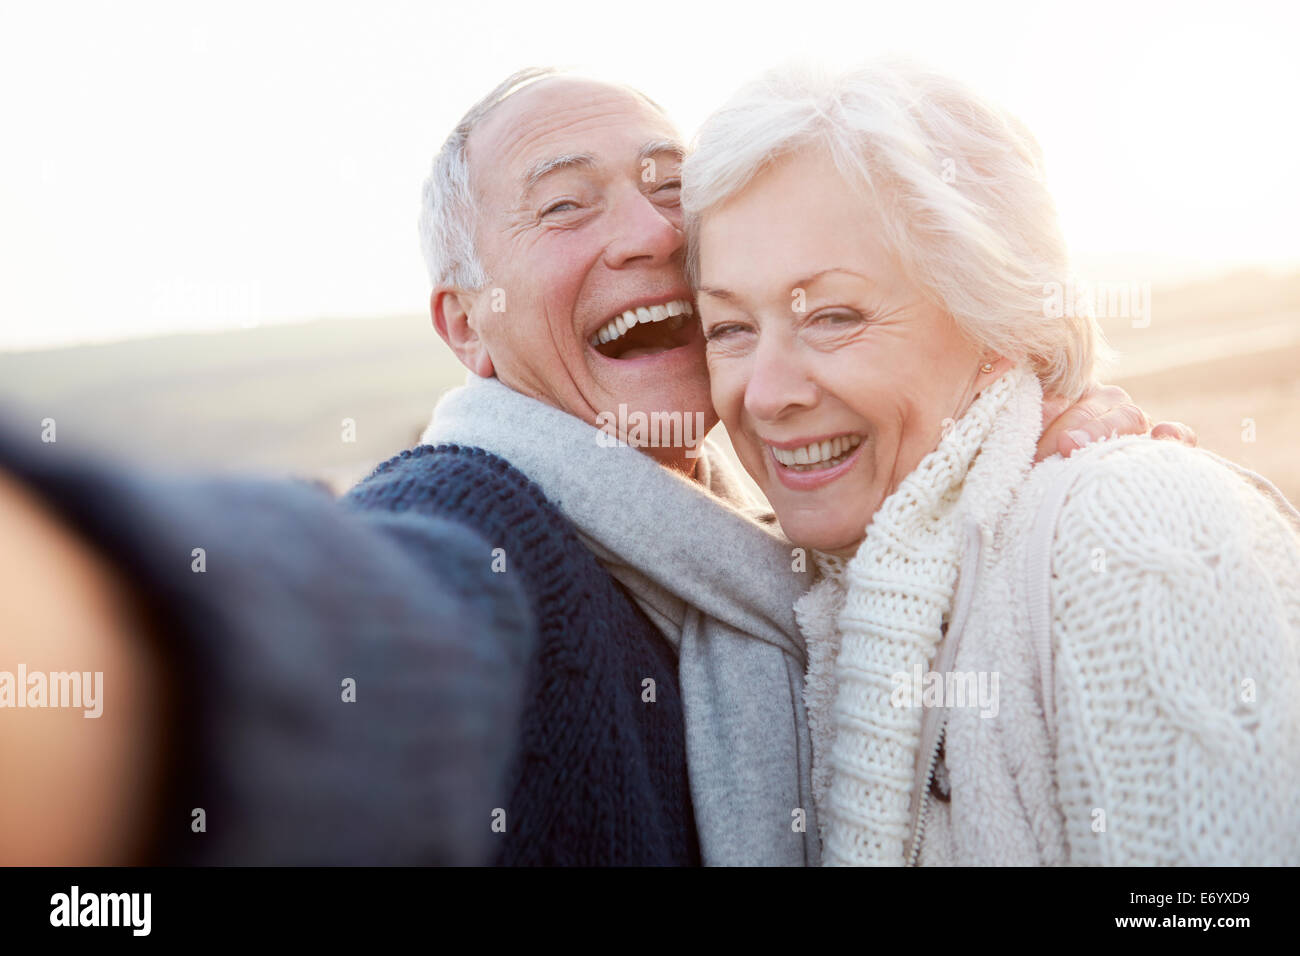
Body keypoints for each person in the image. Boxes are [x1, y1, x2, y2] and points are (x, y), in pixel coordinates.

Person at [0, 66, 1191, 867]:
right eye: (565, 207)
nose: (649, 231)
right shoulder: (480, 527)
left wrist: (1007, 455)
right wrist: (102, 637)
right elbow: (381, 625)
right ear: (466, 326)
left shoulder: (773, 562)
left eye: (673, 187)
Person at [682, 60, 1300, 865]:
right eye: (729, 328)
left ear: (998, 320)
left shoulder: (1132, 529)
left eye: (833, 316)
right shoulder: (796, 599)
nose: (764, 395)